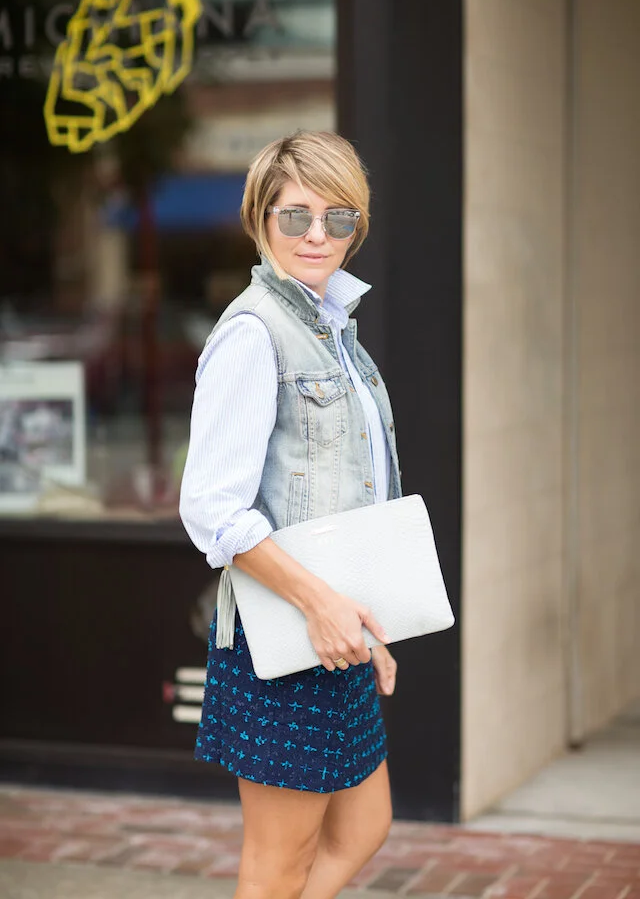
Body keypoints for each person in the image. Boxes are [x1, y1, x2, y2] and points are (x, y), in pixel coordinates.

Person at [179, 130, 403, 899]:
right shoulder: (254, 333)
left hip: (332, 627)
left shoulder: (332, 328)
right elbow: (213, 509)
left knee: (364, 825)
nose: (317, 235)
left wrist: (365, 620)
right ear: (260, 219)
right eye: (295, 215)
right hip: (286, 634)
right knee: (279, 862)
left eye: (338, 218)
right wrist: (321, 604)